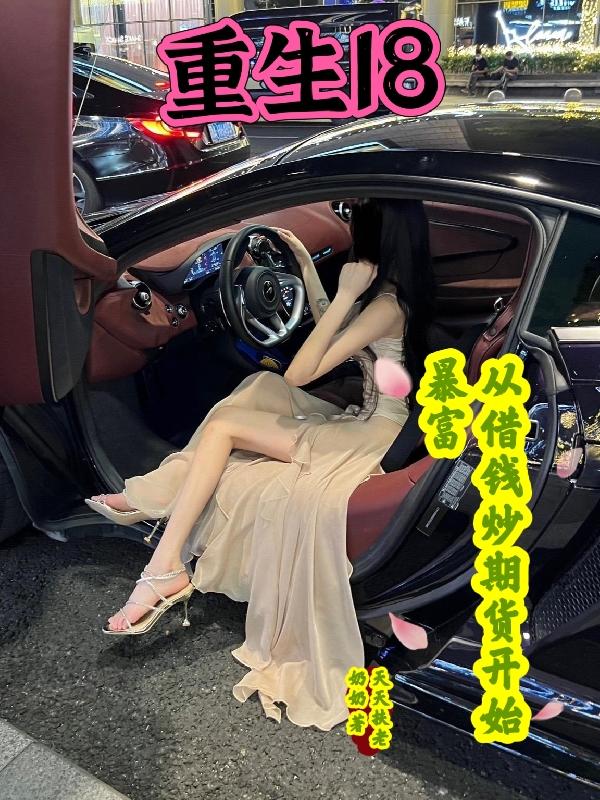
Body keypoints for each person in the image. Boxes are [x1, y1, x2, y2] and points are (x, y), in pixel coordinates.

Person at [86, 198, 436, 731]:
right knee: (258, 385)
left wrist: (345, 292)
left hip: (371, 432)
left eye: (357, 222)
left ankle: (164, 567)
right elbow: (335, 326)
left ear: (375, 240)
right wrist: (305, 266)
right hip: (373, 415)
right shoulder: (390, 295)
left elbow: (302, 373)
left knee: (231, 423)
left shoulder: (387, 305)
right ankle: (157, 494)